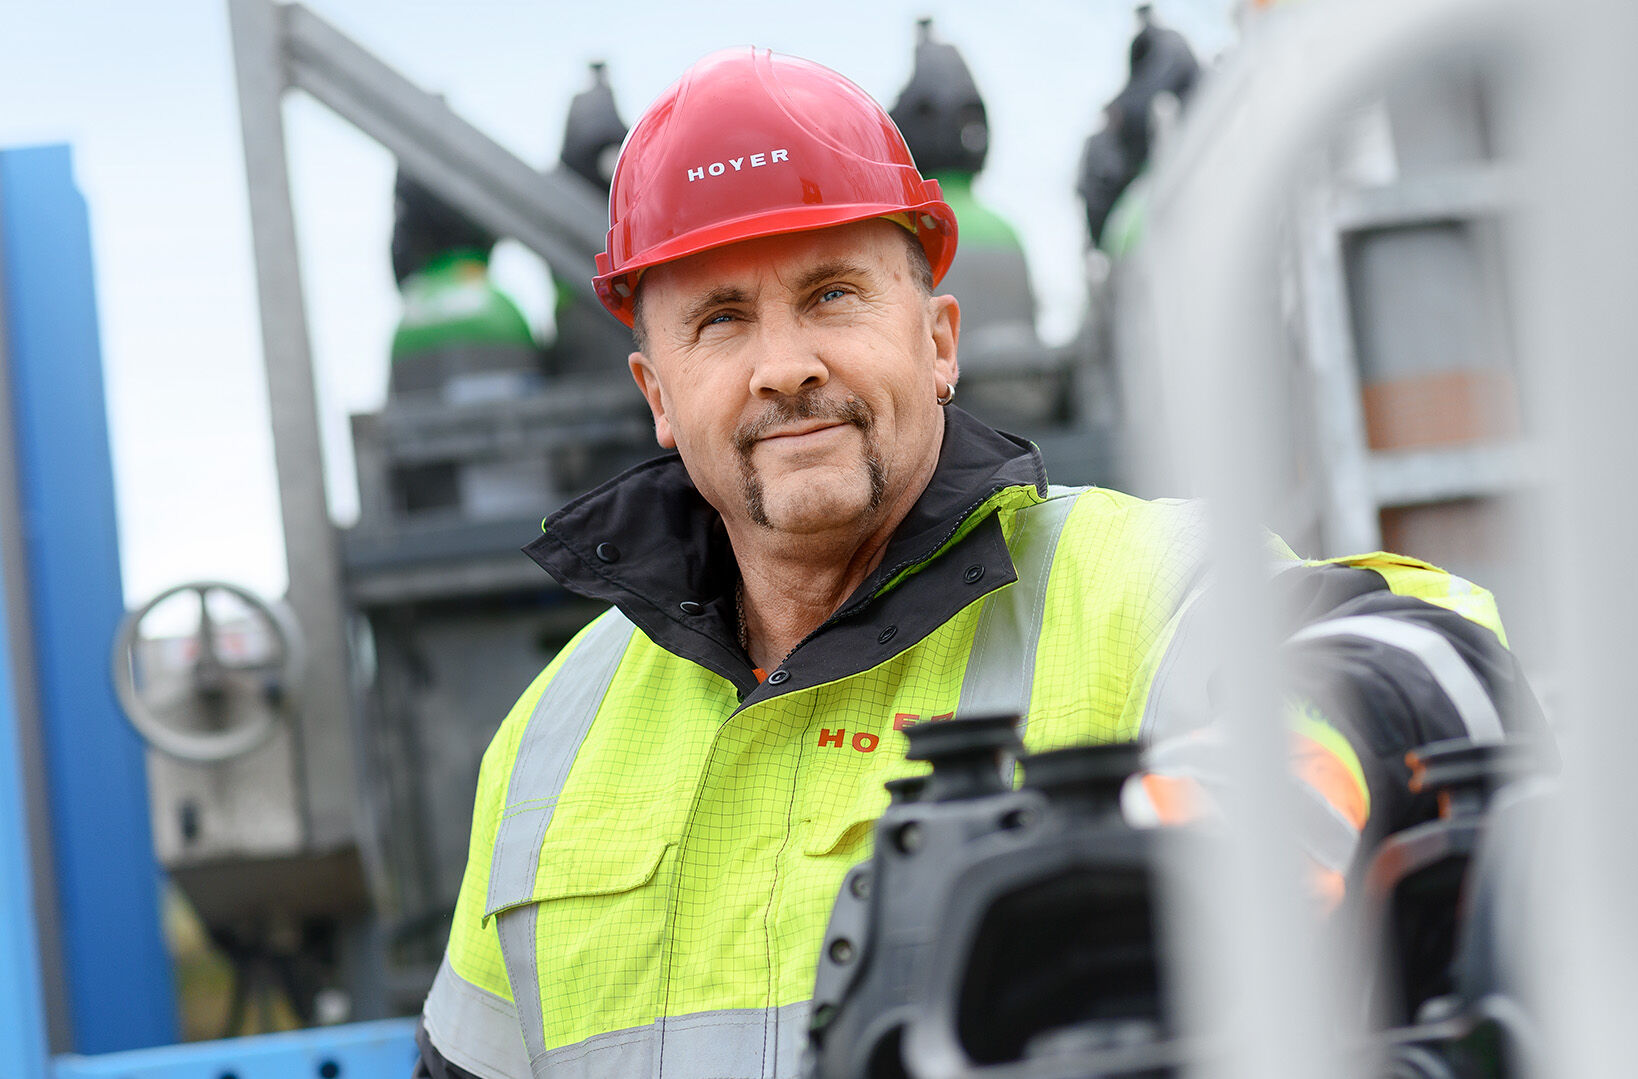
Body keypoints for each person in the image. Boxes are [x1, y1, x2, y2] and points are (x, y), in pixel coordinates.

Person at [414, 46, 1536, 1079]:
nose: (785, 366)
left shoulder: (1125, 583)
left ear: (938, 338)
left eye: (832, 294)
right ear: (657, 393)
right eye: (719, 320)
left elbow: (1434, 649)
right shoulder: (547, 741)